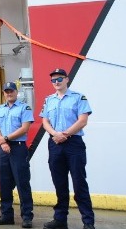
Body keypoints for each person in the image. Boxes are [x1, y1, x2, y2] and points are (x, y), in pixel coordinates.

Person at [41, 69, 95, 229]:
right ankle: (60, 219)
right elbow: (45, 121)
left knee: (79, 183)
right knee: (59, 183)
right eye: (53, 80)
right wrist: (55, 135)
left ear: (66, 80)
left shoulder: (78, 97)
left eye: (59, 79)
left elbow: (82, 120)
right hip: (55, 143)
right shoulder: (49, 100)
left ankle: (88, 221)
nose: (56, 82)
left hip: (73, 143)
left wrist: (64, 134)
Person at [0, 82, 34, 227]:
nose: (9, 93)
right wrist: (2, 142)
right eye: (6, 91)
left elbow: (25, 128)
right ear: (4, 93)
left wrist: (6, 138)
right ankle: (6, 215)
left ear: (16, 92)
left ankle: (27, 216)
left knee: (22, 183)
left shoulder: (24, 108)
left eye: (11, 91)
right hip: (3, 148)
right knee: (4, 183)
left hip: (18, 148)